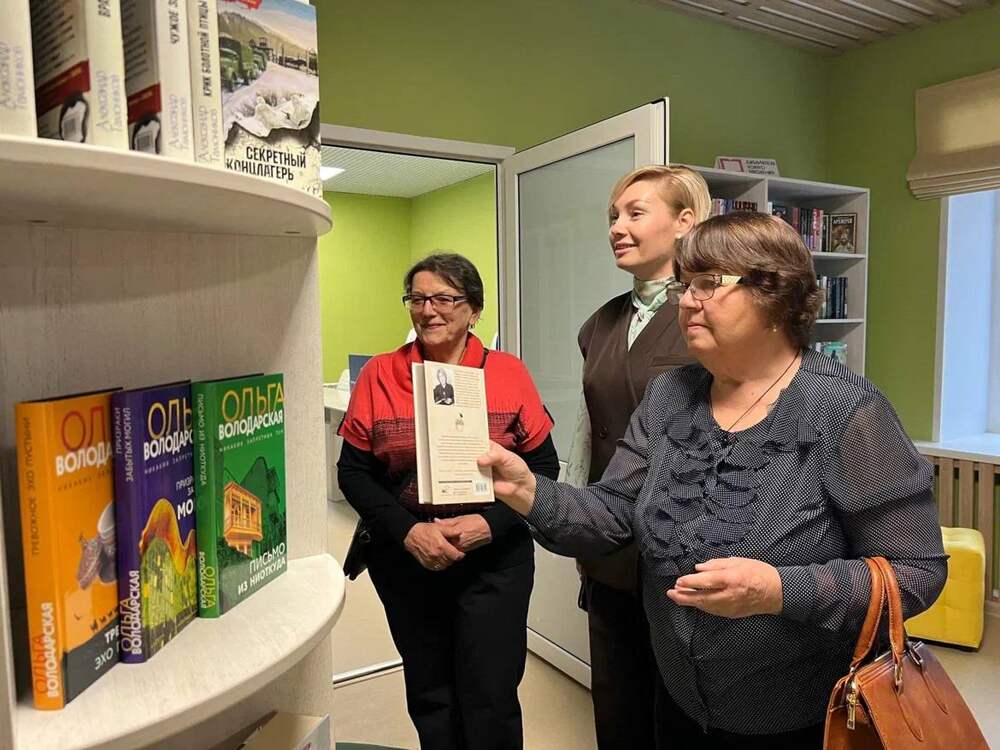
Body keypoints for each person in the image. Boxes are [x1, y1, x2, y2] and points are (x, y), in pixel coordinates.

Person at [480, 213, 947, 749]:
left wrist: (778, 590)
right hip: (678, 698)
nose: (686, 301)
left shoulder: (846, 410)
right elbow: (614, 511)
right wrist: (528, 491)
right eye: (683, 285)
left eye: (708, 283)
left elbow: (917, 572)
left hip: (798, 716)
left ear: (775, 296)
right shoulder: (669, 395)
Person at [337, 253, 559, 750]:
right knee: (430, 692)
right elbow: (352, 472)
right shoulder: (380, 374)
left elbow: (543, 467)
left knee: (491, 693)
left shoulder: (508, 373)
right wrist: (409, 532)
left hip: (494, 558)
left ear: (474, 310)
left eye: (444, 298)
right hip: (408, 557)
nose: (428, 310)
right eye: (417, 299)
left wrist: (490, 524)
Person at [563, 165, 710, 749]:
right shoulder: (599, 325)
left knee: (681, 708)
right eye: (613, 217)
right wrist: (579, 524)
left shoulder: (710, 316)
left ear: (685, 221)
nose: (617, 228)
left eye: (635, 213)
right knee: (617, 700)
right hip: (610, 541)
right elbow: (587, 434)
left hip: (686, 543)